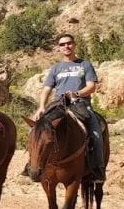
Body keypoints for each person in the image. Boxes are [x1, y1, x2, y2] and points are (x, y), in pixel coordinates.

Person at [34, 33, 106, 183]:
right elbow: (47, 89)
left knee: (96, 132)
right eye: (62, 44)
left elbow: (92, 86)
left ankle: (97, 169)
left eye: (69, 43)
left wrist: (77, 93)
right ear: (58, 49)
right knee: (36, 130)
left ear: (74, 45)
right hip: (58, 104)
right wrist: (41, 107)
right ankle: (33, 165)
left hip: (80, 103)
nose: (66, 46)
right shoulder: (56, 68)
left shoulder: (84, 64)